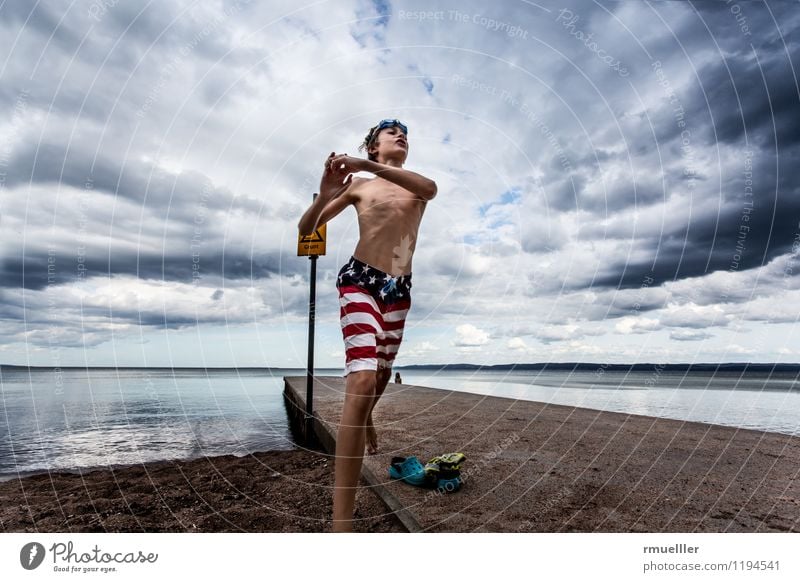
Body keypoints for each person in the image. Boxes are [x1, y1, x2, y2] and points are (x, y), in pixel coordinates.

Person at [297, 119, 437, 532]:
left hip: (399, 288)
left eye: (405, 134)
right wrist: (326, 193)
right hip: (360, 280)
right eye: (391, 132)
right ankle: (342, 528)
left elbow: (429, 190)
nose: (401, 136)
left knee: (380, 376)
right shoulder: (358, 186)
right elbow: (307, 229)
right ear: (374, 146)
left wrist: (364, 164)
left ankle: (368, 414)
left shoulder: (414, 184)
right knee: (359, 383)